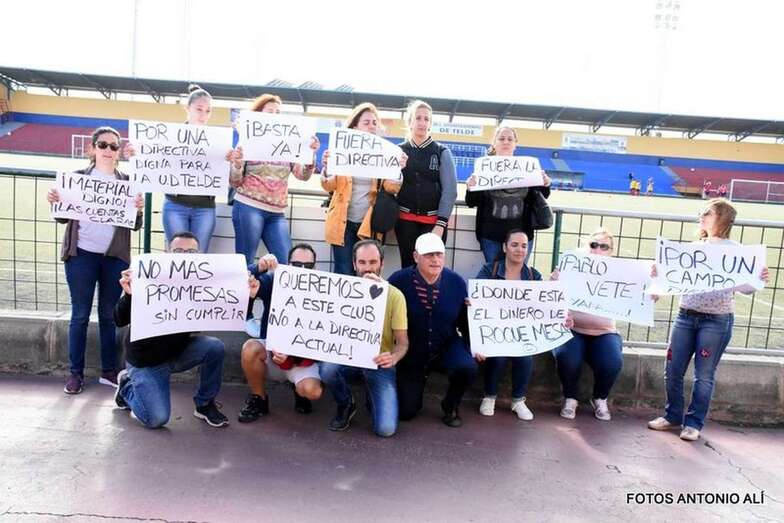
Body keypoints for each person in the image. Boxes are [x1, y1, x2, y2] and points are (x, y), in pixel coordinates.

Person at [648, 199, 769, 441]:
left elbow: (746, 288)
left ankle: (693, 423)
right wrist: (658, 274)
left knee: (704, 374)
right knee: (672, 368)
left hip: (716, 321)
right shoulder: (692, 248)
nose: (701, 216)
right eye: (701, 213)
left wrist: (758, 278)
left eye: (707, 213)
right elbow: (673, 279)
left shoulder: (736, 250)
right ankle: (672, 415)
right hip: (685, 315)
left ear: (723, 219)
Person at [113, 231, 259, 428]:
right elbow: (119, 319)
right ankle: (127, 388)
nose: (184, 255)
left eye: (190, 251)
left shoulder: (202, 283)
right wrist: (130, 295)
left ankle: (204, 404)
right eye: (178, 250)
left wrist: (248, 296)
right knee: (156, 419)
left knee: (214, 347)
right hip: (146, 362)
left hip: (177, 353)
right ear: (167, 252)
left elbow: (230, 315)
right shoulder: (149, 279)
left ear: (199, 255)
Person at [46, 126, 144, 394]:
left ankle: (109, 371)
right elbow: (62, 216)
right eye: (103, 145)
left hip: (114, 258)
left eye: (114, 146)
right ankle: (75, 374)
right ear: (92, 149)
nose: (109, 150)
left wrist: (138, 210)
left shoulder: (127, 183)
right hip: (81, 256)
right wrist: (54, 199)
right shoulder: (76, 179)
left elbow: (136, 225)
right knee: (79, 315)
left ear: (119, 152)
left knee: (109, 316)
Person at [125, 85, 233, 252]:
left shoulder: (217, 141)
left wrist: (231, 161)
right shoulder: (169, 136)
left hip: (205, 207)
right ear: (187, 108)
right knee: (176, 255)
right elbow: (153, 160)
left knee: (199, 256)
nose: (203, 115)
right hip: (175, 205)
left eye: (208, 111)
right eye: (199, 109)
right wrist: (135, 154)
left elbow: (227, 176)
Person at [318, 240, 408, 436]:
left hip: (378, 362)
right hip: (347, 357)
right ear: (354, 264)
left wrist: (394, 357)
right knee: (326, 370)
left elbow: (403, 343)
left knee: (385, 430)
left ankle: (372, 393)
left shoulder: (395, 296)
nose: (368, 268)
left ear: (382, 264)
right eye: (362, 262)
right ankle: (345, 403)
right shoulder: (341, 291)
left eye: (373, 262)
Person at [389, 233, 477, 427]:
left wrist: (477, 344)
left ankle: (450, 405)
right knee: (406, 412)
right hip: (411, 351)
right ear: (415, 256)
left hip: (446, 344)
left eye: (439, 254)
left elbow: (465, 322)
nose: (436, 259)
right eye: (429, 255)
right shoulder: (398, 281)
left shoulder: (456, 283)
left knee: (467, 366)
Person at [229, 94, 320, 265]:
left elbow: (302, 175)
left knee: (287, 263)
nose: (275, 115)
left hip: (277, 212)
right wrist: (237, 164)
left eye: (278, 112)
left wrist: (310, 156)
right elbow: (234, 181)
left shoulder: (289, 144)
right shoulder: (248, 141)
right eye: (270, 111)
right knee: (245, 262)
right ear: (258, 115)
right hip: (248, 207)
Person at [238, 243, 324, 422]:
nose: (301, 270)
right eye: (296, 265)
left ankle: (299, 390)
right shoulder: (274, 280)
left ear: (315, 268)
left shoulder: (323, 291)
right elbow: (239, 280)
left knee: (312, 392)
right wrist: (258, 268)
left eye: (307, 266)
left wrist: (294, 355)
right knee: (249, 348)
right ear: (288, 265)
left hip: (303, 360)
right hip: (272, 352)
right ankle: (259, 399)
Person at [550, 228, 628, 421]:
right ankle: (570, 398)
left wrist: (652, 291)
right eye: (593, 245)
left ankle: (600, 398)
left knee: (612, 362)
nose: (597, 249)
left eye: (604, 246)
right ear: (587, 246)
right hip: (573, 328)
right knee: (567, 357)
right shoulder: (571, 268)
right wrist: (553, 283)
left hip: (604, 332)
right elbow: (550, 299)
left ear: (611, 251)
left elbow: (638, 297)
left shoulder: (620, 272)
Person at [321, 103, 405, 275]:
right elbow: (328, 185)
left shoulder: (385, 152)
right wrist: (328, 167)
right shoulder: (341, 150)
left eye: (374, 123)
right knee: (343, 273)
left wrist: (398, 170)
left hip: (369, 226)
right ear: (355, 126)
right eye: (366, 122)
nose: (371, 126)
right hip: (342, 225)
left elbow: (391, 188)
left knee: (368, 275)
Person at [474, 230, 542, 420]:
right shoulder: (490, 270)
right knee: (499, 355)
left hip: (521, 333)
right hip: (494, 331)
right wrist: (473, 301)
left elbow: (542, 308)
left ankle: (518, 400)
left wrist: (553, 287)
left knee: (525, 357)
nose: (519, 250)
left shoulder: (533, 275)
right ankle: (489, 396)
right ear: (505, 247)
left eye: (524, 246)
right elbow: (477, 300)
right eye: (514, 245)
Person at [465, 127, 552, 264]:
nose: (506, 142)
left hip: (522, 237)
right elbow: (471, 202)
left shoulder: (527, 167)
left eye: (510, 139)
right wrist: (470, 187)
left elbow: (542, 195)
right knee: (494, 276)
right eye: (501, 138)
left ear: (515, 144)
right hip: (491, 236)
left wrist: (546, 183)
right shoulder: (484, 168)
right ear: (494, 143)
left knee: (517, 279)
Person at [395, 100, 457, 268]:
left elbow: (450, 191)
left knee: (431, 271)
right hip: (405, 222)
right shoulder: (398, 151)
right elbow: (389, 186)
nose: (422, 122)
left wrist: (440, 225)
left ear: (430, 123)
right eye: (418, 118)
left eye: (427, 119)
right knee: (408, 268)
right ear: (410, 122)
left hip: (433, 223)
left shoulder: (441, 152)